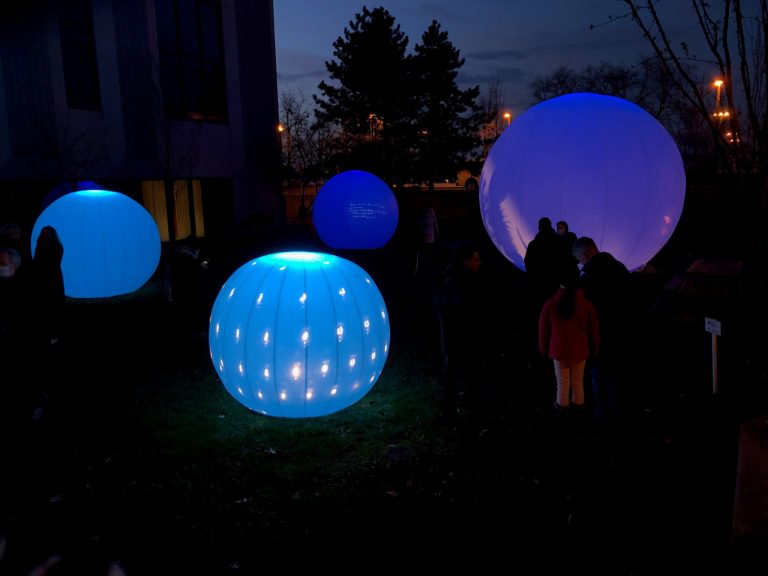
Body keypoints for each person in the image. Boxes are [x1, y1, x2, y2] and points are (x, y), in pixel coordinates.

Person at [572, 236, 631, 430]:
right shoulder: (620, 267)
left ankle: (601, 414)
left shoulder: (588, 277)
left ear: (585, 254)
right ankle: (619, 412)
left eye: (579, 259)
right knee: (617, 373)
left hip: (599, 335)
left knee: (599, 373)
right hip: (620, 330)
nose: (580, 264)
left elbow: (582, 310)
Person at [434, 243, 485, 428]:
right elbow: (473, 311)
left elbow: (439, 308)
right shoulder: (470, 283)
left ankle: (449, 411)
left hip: (450, 337)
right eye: (476, 259)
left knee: (451, 374)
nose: (479, 263)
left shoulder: (446, 278)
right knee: (471, 376)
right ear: (465, 261)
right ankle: (473, 412)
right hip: (467, 338)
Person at [538, 265, 599, 415]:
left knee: (562, 383)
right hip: (580, 350)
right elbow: (594, 331)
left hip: (558, 350)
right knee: (578, 382)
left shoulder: (550, 304)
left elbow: (543, 330)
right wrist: (594, 349)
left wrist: (543, 349)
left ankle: (562, 411)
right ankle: (579, 413)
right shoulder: (586, 304)